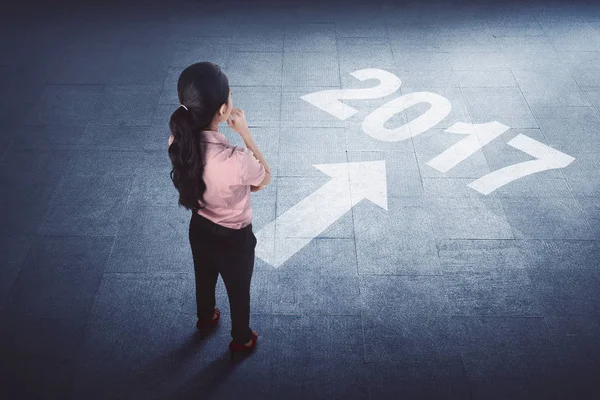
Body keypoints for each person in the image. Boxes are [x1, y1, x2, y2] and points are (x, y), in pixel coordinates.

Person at [167, 62, 271, 355]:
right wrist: (246, 135)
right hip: (234, 239)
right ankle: (241, 338)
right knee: (238, 292)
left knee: (204, 278)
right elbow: (264, 177)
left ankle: (206, 317)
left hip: (198, 228)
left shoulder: (177, 141)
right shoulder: (236, 159)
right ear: (224, 111)